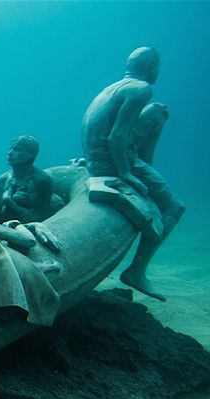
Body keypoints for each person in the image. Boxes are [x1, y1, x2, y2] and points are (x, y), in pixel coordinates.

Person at [82, 47, 184, 301]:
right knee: (174, 208)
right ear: (153, 67)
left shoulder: (112, 88)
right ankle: (136, 272)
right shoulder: (141, 89)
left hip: (95, 157)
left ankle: (146, 168)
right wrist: (126, 173)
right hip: (110, 163)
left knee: (158, 111)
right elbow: (117, 136)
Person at [0, 136, 55, 223]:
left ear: (30, 155)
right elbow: (4, 213)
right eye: (11, 149)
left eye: (17, 150)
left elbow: (38, 217)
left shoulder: (41, 180)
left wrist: (9, 201)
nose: (10, 153)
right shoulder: (3, 179)